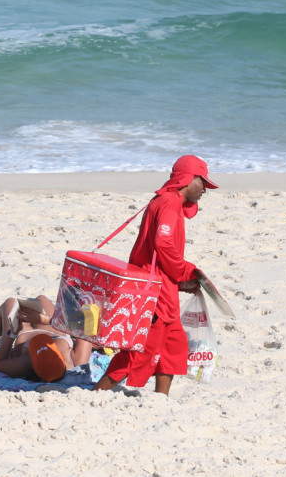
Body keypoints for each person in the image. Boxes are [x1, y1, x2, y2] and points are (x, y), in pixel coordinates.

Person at [93, 154, 217, 395]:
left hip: (163, 288)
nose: (204, 189)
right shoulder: (169, 201)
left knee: (173, 346)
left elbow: (157, 252)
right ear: (188, 178)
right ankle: (96, 393)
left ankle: (161, 399)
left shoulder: (167, 201)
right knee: (139, 350)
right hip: (154, 292)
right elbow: (163, 242)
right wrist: (184, 272)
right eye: (202, 181)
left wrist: (179, 283)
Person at [0, 294, 93, 381]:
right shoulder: (77, 361)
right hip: (53, 330)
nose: (47, 344)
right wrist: (47, 320)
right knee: (42, 298)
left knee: (11, 302)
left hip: (22, 334)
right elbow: (84, 327)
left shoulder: (25, 362)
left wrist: (12, 334)